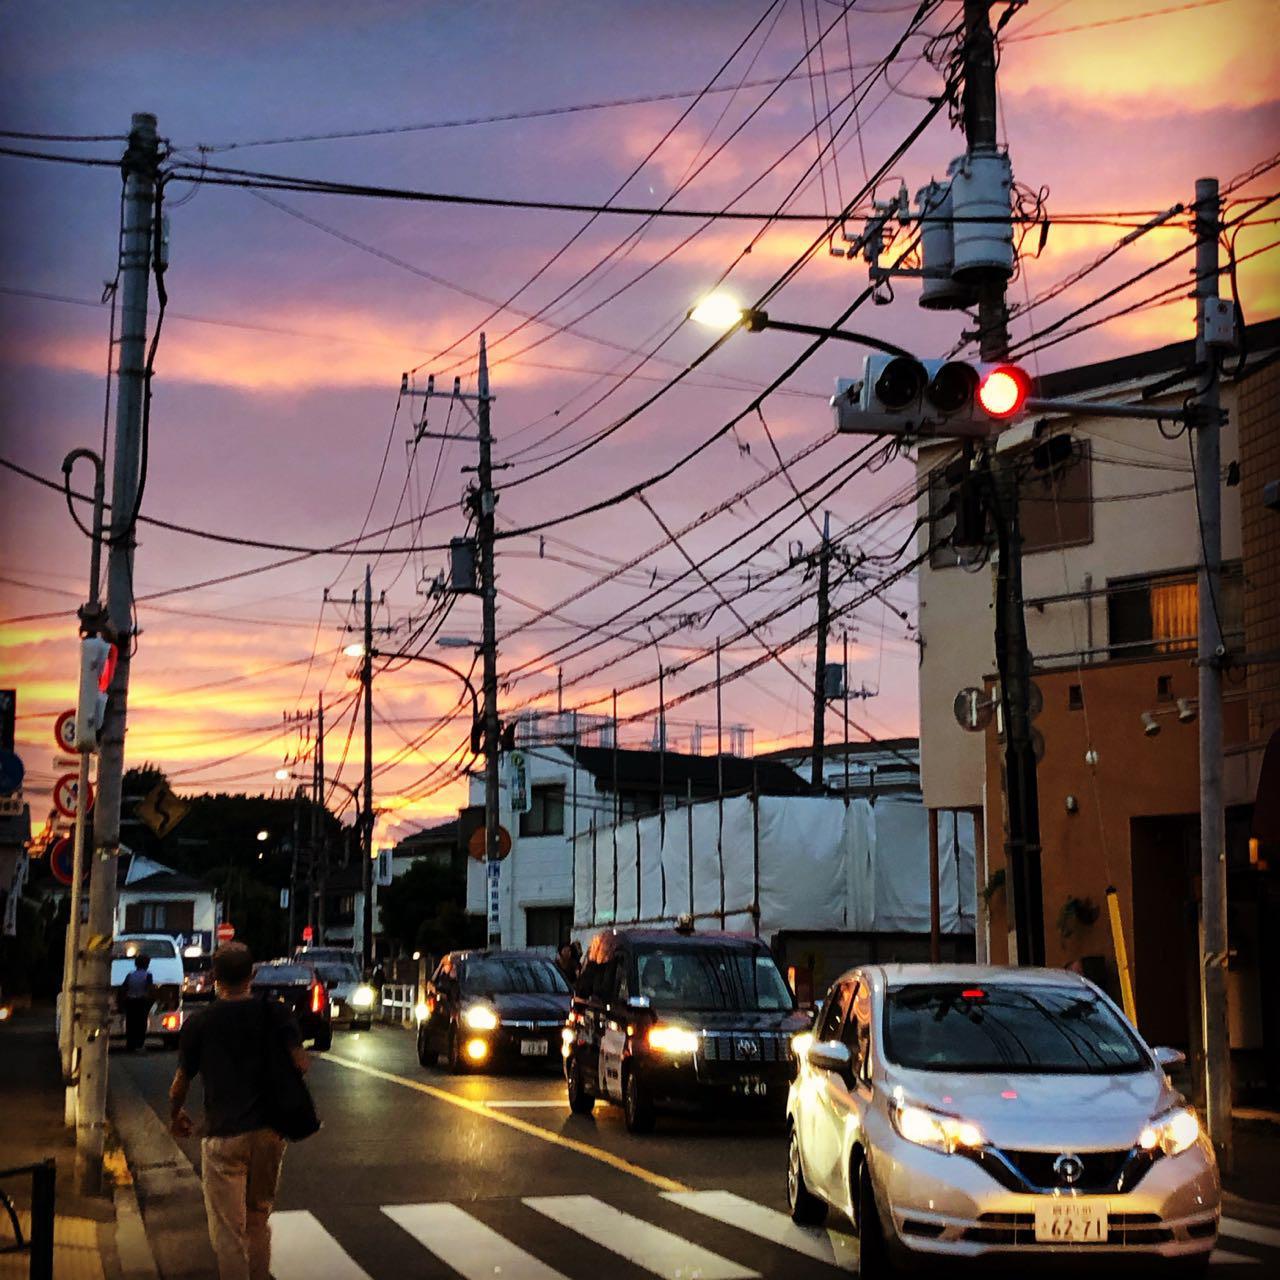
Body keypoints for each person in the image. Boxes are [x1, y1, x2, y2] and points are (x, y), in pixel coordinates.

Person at [169, 943, 308, 1280]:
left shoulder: (200, 1023)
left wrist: (176, 1114)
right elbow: (300, 1064)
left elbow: (180, 1083)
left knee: (229, 1234)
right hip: (269, 1133)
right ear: (252, 975)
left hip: (224, 1134)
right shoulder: (274, 1013)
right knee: (258, 1219)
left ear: (215, 978)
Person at [119, 954, 154, 1052]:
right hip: (141, 1001)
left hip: (130, 1001)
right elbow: (149, 989)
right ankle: (140, 1044)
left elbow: (124, 988)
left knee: (131, 1023)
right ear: (147, 964)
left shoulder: (130, 975)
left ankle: (130, 1044)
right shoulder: (148, 975)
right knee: (141, 1023)